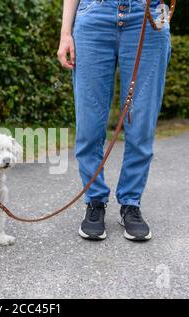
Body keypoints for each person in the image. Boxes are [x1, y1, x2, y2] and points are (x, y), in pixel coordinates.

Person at [57, 0, 171, 241]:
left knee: (141, 124)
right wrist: (65, 32)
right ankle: (95, 201)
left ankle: (131, 203)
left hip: (148, 17)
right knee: (89, 125)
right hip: (94, 15)